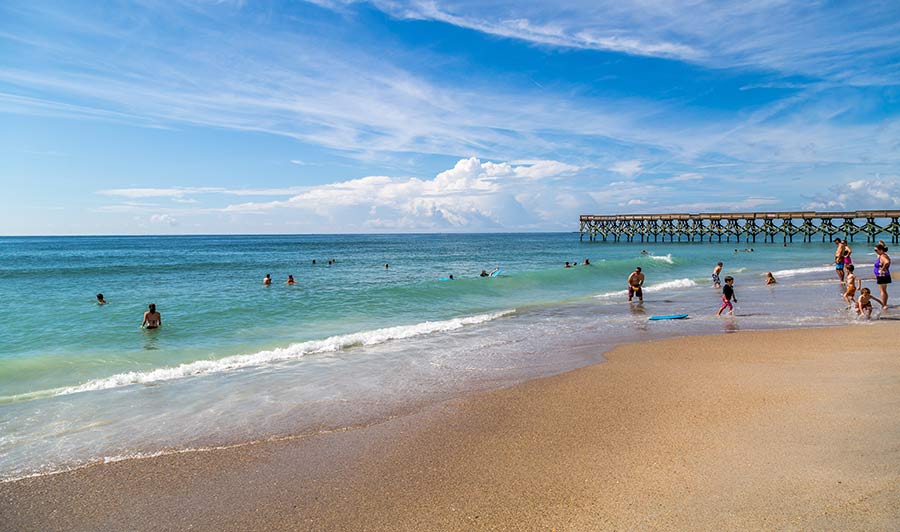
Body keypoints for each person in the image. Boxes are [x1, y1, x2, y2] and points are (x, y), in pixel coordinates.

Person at [874, 243, 891, 308]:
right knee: (883, 290)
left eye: (876, 250)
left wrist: (883, 268)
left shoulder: (882, 256)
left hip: (882, 275)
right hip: (883, 275)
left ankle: (884, 305)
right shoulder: (883, 255)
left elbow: (887, 262)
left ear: (881, 250)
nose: (875, 252)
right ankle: (884, 304)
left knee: (882, 291)